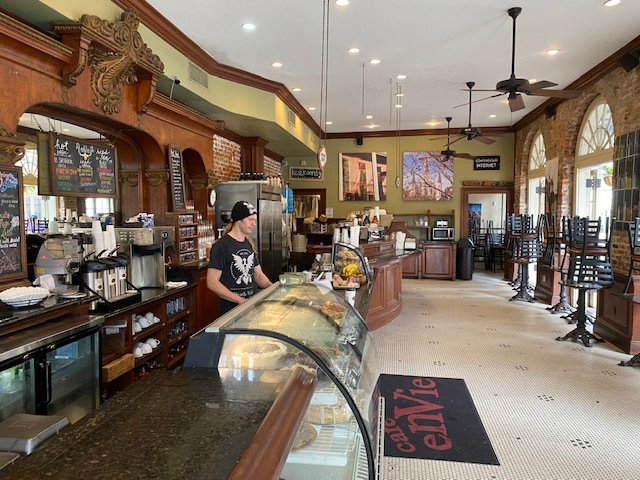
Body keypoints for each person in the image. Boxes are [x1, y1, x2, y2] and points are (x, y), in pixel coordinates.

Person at [207, 200, 273, 315]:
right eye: (250, 220)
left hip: (250, 309)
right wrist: (241, 301)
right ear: (238, 220)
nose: (254, 224)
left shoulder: (248, 244)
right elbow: (212, 282)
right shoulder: (221, 246)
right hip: (231, 312)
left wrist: (273, 289)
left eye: (255, 220)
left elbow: (258, 275)